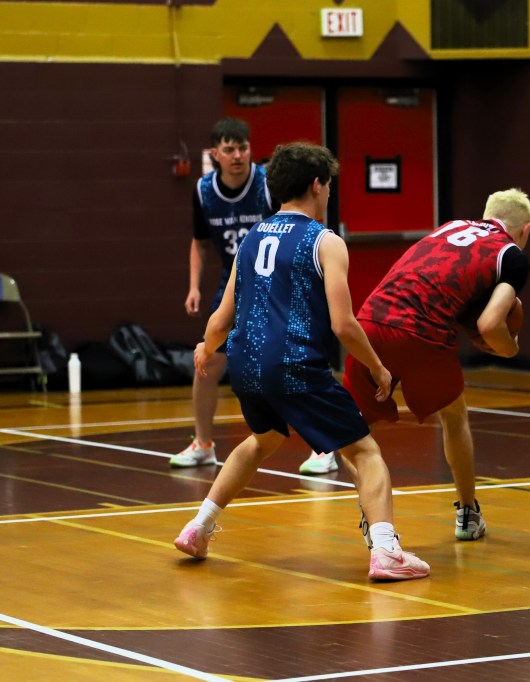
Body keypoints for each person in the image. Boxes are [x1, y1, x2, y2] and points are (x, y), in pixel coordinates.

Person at [173, 142, 429, 582]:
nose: (329, 192)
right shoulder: (326, 242)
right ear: (317, 184)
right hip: (294, 365)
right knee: (365, 452)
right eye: (329, 185)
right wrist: (378, 368)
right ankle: (387, 550)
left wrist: (207, 346)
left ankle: (199, 527)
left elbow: (220, 318)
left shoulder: (252, 237)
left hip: (246, 366)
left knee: (262, 440)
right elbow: (344, 325)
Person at [342, 189, 530, 541]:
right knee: (454, 417)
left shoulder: (449, 227)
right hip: (423, 332)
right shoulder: (512, 254)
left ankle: (372, 515)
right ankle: (468, 513)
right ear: (526, 229)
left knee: (348, 429)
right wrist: (510, 349)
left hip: (371, 320)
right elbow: (491, 324)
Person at [172, 118, 275, 468]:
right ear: (215, 154)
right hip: (234, 285)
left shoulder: (267, 184)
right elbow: (199, 243)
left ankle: (323, 448)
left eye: (243, 148)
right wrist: (193, 286)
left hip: (274, 286)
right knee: (206, 361)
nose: (238, 155)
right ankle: (203, 443)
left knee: (290, 363)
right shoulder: (204, 191)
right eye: (229, 149)